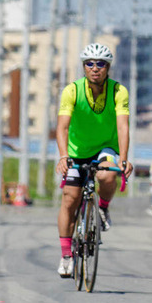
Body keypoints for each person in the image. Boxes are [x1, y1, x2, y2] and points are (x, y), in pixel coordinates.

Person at [55, 43, 133, 278]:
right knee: (70, 198)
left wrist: (124, 158)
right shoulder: (72, 91)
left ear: (108, 67)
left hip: (105, 147)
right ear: (84, 67)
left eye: (101, 64)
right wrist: (62, 155)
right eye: (90, 63)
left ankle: (103, 208)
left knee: (108, 174)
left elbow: (123, 125)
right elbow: (62, 127)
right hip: (76, 151)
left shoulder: (119, 91)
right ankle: (66, 255)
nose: (95, 68)